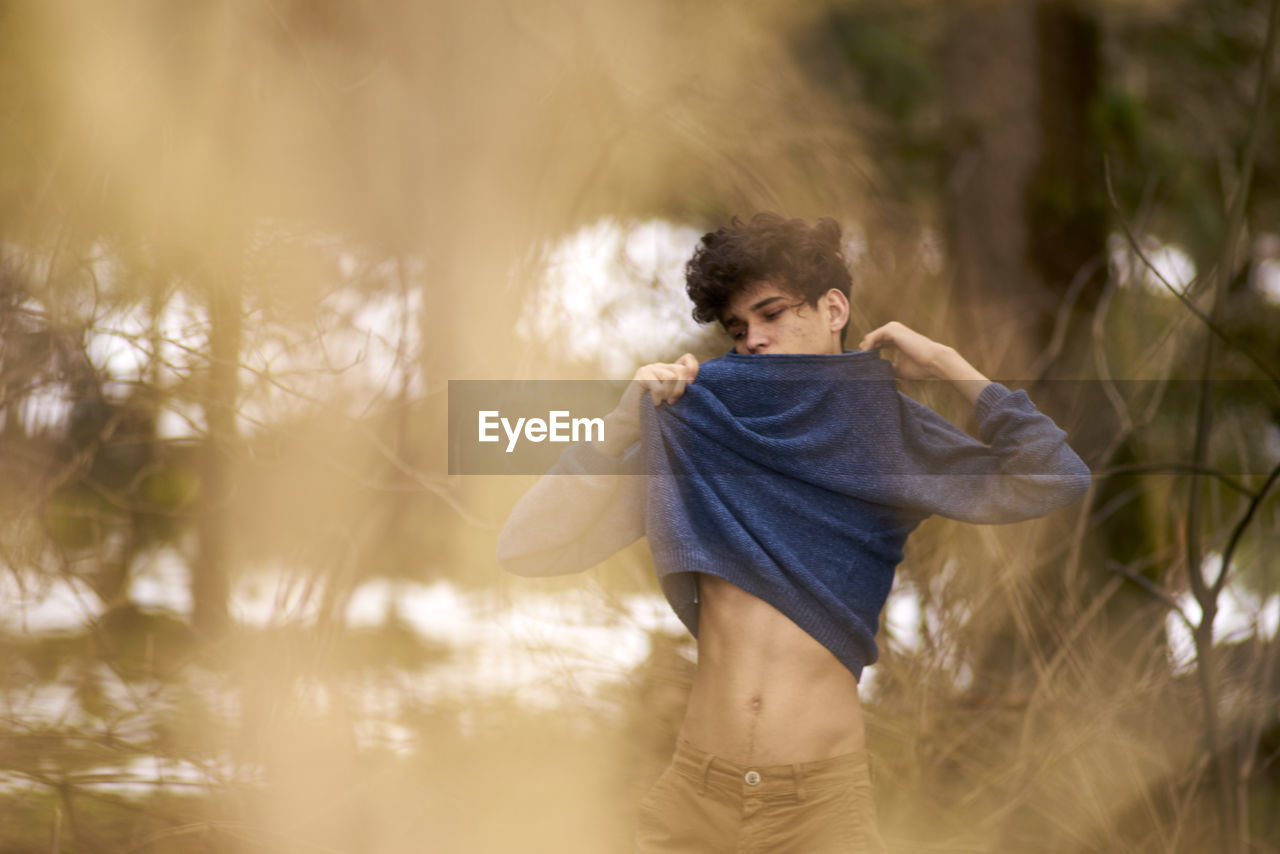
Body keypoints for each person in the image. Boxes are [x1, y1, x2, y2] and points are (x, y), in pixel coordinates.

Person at [497, 213, 1091, 853]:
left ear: (834, 308)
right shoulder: (700, 423)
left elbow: (1054, 475)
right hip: (698, 799)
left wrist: (946, 363)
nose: (753, 338)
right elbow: (527, 546)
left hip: (819, 812)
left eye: (772, 314)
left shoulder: (886, 431)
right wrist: (616, 426)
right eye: (738, 328)